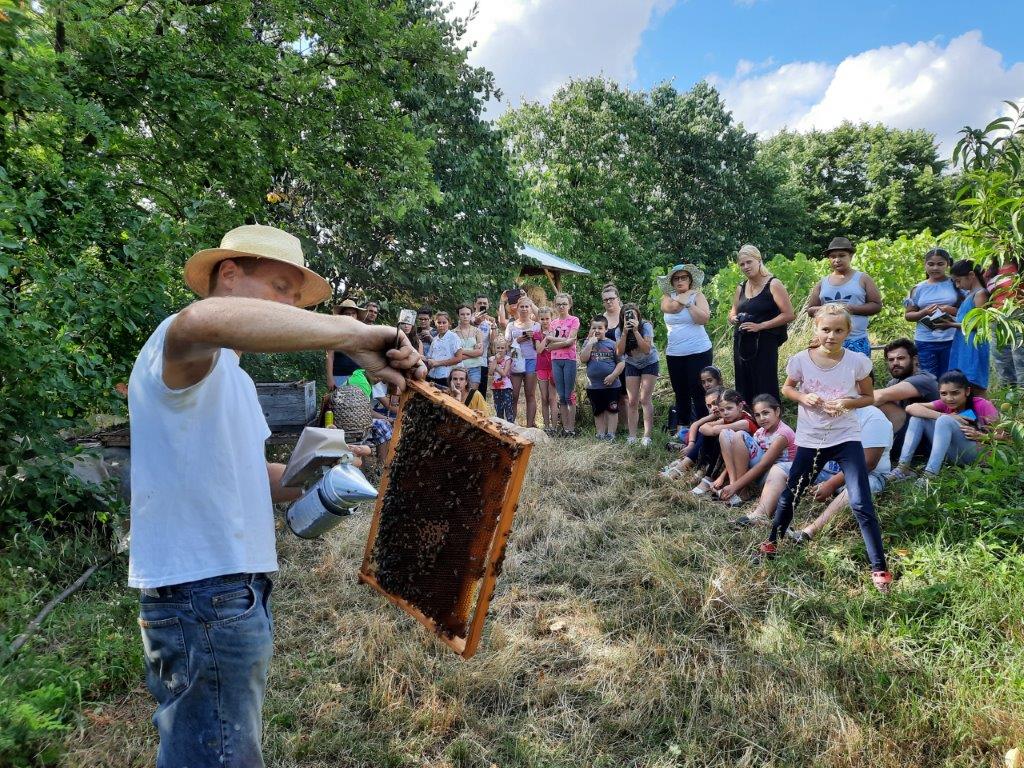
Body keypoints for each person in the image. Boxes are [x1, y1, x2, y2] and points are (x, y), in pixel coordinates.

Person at [128, 224, 424, 766]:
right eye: (281, 288)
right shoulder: (182, 342)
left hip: (232, 592)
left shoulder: (233, 377)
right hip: (202, 593)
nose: (292, 306)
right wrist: (351, 333)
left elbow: (253, 478)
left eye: (298, 295)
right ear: (230, 275)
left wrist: (320, 472)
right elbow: (200, 319)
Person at [754, 303, 891, 593]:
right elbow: (788, 388)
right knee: (792, 493)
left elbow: (868, 397)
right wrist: (804, 398)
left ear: (847, 332)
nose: (831, 335)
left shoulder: (857, 361)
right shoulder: (801, 359)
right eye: (826, 329)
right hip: (811, 439)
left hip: (846, 437)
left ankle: (879, 569)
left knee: (861, 501)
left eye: (838, 330)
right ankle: (771, 543)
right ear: (816, 329)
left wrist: (847, 402)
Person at [787, 404, 892, 544]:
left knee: (857, 489)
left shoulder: (874, 417)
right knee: (781, 469)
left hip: (869, 474)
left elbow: (868, 463)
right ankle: (760, 515)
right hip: (828, 469)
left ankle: (808, 532)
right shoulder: (829, 411)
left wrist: (831, 484)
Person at [889, 369, 1000, 483]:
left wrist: (981, 436)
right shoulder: (945, 404)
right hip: (953, 454)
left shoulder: (982, 404)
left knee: (944, 420)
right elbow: (911, 408)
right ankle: (902, 468)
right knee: (918, 418)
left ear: (967, 391)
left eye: (955, 393)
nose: (949, 398)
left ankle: (930, 475)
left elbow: (1006, 437)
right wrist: (944, 415)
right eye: (944, 394)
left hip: (978, 455)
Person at [729, 244, 796, 405]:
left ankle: (771, 422)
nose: (745, 267)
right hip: (742, 343)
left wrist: (760, 326)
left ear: (759, 261)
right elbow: (732, 312)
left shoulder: (773, 284)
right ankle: (748, 421)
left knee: (765, 382)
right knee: (743, 382)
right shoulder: (741, 287)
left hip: (765, 343)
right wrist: (733, 318)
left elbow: (789, 314)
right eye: (742, 264)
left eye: (749, 262)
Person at [716, 394, 796, 508]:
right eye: (757, 415)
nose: (762, 418)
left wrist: (735, 486)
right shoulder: (760, 432)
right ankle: (739, 489)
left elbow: (764, 465)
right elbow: (742, 455)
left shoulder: (783, 434)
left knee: (740, 435)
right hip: (761, 474)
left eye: (766, 413)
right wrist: (723, 476)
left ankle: (739, 489)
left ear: (777, 411)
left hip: (776, 477)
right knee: (725, 433)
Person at [806, 237, 881, 356]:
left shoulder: (863, 279)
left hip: (856, 340)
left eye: (842, 255)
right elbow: (810, 310)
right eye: (833, 256)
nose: (837, 260)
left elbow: (876, 306)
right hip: (828, 342)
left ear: (850, 256)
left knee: (859, 373)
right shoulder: (822, 283)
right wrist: (830, 309)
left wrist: (849, 308)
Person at [661, 264, 714, 428]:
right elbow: (672, 308)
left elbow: (703, 319)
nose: (680, 281)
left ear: (690, 280)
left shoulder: (698, 296)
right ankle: (683, 428)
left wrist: (690, 303)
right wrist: (684, 297)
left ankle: (703, 427)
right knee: (680, 391)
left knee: (699, 390)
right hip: (675, 353)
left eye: (684, 277)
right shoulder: (667, 297)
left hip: (699, 351)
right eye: (676, 278)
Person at [873, 338, 939, 463]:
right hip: (907, 437)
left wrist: (844, 404)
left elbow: (879, 396)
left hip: (929, 441)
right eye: (891, 360)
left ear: (915, 360)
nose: (895, 363)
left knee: (881, 405)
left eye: (900, 358)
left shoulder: (924, 379)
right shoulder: (893, 383)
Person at [903, 247, 960, 378]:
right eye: (931, 264)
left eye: (940, 264)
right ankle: (932, 399)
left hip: (952, 339)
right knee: (929, 378)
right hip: (925, 341)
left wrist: (951, 310)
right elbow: (908, 315)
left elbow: (967, 311)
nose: (935, 268)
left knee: (951, 377)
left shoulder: (956, 284)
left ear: (947, 264)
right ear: (925, 265)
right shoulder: (918, 288)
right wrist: (923, 312)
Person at [690, 389, 757, 497]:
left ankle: (711, 477)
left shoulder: (745, 421)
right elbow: (702, 428)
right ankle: (728, 481)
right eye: (722, 410)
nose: (725, 413)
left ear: (740, 406)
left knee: (722, 434)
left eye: (729, 408)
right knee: (718, 434)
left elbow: (717, 430)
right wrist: (713, 428)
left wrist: (715, 429)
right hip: (736, 459)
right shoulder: (730, 418)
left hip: (751, 459)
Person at [614, 301, 659, 446]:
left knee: (645, 399)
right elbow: (619, 352)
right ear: (622, 318)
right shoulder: (619, 330)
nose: (629, 319)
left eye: (633, 316)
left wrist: (635, 331)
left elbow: (646, 349)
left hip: (649, 362)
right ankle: (632, 436)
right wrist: (625, 333)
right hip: (632, 363)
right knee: (632, 400)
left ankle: (647, 436)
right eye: (626, 317)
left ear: (638, 316)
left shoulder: (646, 326)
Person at [660, 387, 725, 481]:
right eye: (709, 406)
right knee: (702, 430)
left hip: (721, 451)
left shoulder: (728, 416)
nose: (713, 408)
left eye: (715, 403)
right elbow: (695, 424)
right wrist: (691, 444)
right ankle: (687, 457)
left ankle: (684, 464)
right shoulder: (715, 414)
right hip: (703, 446)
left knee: (706, 431)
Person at [947, 259, 991, 395]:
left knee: (975, 388)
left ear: (971, 275)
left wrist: (950, 324)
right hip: (963, 346)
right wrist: (950, 320)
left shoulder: (980, 294)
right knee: (964, 387)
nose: (958, 285)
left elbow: (979, 324)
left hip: (974, 347)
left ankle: (988, 416)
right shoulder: (969, 295)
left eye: (958, 281)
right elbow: (965, 320)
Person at [580, 316, 624, 440]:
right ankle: (600, 433)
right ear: (590, 329)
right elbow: (583, 359)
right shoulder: (588, 343)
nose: (597, 330)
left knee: (612, 409)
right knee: (598, 410)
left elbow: (621, 362)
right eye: (594, 328)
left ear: (606, 329)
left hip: (612, 385)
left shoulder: (612, 344)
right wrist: (589, 343)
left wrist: (613, 375)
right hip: (594, 386)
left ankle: (611, 434)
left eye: (600, 328)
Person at [546, 292, 581, 436]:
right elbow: (549, 347)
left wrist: (554, 340)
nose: (561, 306)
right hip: (555, 360)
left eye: (564, 304)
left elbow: (571, 340)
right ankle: (565, 428)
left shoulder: (574, 320)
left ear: (569, 305)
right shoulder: (553, 322)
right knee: (561, 395)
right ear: (555, 305)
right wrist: (562, 342)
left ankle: (571, 428)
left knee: (569, 395)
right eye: (559, 304)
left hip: (569, 359)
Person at [985, 256, 1023, 387]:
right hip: (997, 319)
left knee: (1021, 360)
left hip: (1018, 315)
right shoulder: (990, 271)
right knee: (1002, 361)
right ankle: (1010, 399)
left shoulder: (1020, 266)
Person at [505, 298, 541, 427]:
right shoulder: (511, 325)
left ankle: (530, 426)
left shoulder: (537, 325)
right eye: (522, 307)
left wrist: (533, 339)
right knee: (513, 395)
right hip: (515, 360)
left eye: (527, 306)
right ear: (517, 308)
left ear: (531, 308)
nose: (524, 309)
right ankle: (511, 424)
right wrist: (517, 340)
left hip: (532, 360)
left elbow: (539, 347)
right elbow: (504, 345)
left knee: (530, 394)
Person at [600, 283, 628, 429]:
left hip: (626, 361)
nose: (609, 302)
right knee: (610, 395)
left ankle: (626, 427)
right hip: (605, 362)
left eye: (611, 298)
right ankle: (612, 427)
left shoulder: (625, 316)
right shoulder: (600, 319)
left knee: (625, 396)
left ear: (618, 299)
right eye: (606, 300)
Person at [325, 299, 365, 388]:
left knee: (359, 401)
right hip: (339, 376)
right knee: (339, 401)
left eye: (353, 313)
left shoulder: (361, 333)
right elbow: (329, 356)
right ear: (341, 316)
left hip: (358, 376)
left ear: (357, 316)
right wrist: (330, 378)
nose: (350, 316)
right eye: (347, 313)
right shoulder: (334, 333)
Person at [534, 306, 560, 434]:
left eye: (547, 318)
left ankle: (554, 427)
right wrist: (546, 338)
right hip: (541, 367)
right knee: (544, 397)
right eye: (542, 319)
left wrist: (551, 336)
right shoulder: (537, 334)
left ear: (552, 318)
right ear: (539, 319)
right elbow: (539, 350)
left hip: (554, 366)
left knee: (552, 398)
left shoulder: (556, 332)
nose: (545, 321)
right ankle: (546, 426)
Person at [425, 310, 462, 387]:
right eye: (439, 323)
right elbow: (430, 357)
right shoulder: (435, 339)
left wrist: (438, 363)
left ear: (449, 323)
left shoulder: (453, 337)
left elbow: (459, 358)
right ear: (435, 323)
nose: (441, 325)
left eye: (444, 322)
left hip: (447, 376)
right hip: (433, 375)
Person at [454, 304, 486, 391]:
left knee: (471, 395)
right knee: (459, 396)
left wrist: (462, 351)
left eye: (468, 314)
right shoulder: (453, 333)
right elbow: (454, 355)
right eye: (462, 314)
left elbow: (480, 352)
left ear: (471, 315)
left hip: (474, 368)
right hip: (458, 369)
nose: (465, 317)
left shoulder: (477, 331)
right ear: (458, 315)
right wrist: (473, 353)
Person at [472, 294, 495, 395]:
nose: (482, 305)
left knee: (481, 392)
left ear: (488, 305)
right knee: (468, 392)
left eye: (484, 303)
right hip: (468, 360)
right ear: (475, 305)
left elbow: (493, 341)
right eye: (480, 303)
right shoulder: (468, 317)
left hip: (483, 360)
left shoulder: (490, 321)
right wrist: (477, 321)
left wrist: (494, 326)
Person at [489, 338, 514, 422]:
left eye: (502, 348)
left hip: (506, 387)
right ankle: (500, 426)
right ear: (494, 348)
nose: (500, 350)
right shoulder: (492, 359)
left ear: (506, 349)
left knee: (508, 408)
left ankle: (511, 426)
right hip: (495, 387)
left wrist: (495, 366)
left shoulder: (508, 359)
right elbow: (490, 372)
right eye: (498, 348)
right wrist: (495, 360)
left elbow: (504, 373)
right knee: (498, 408)